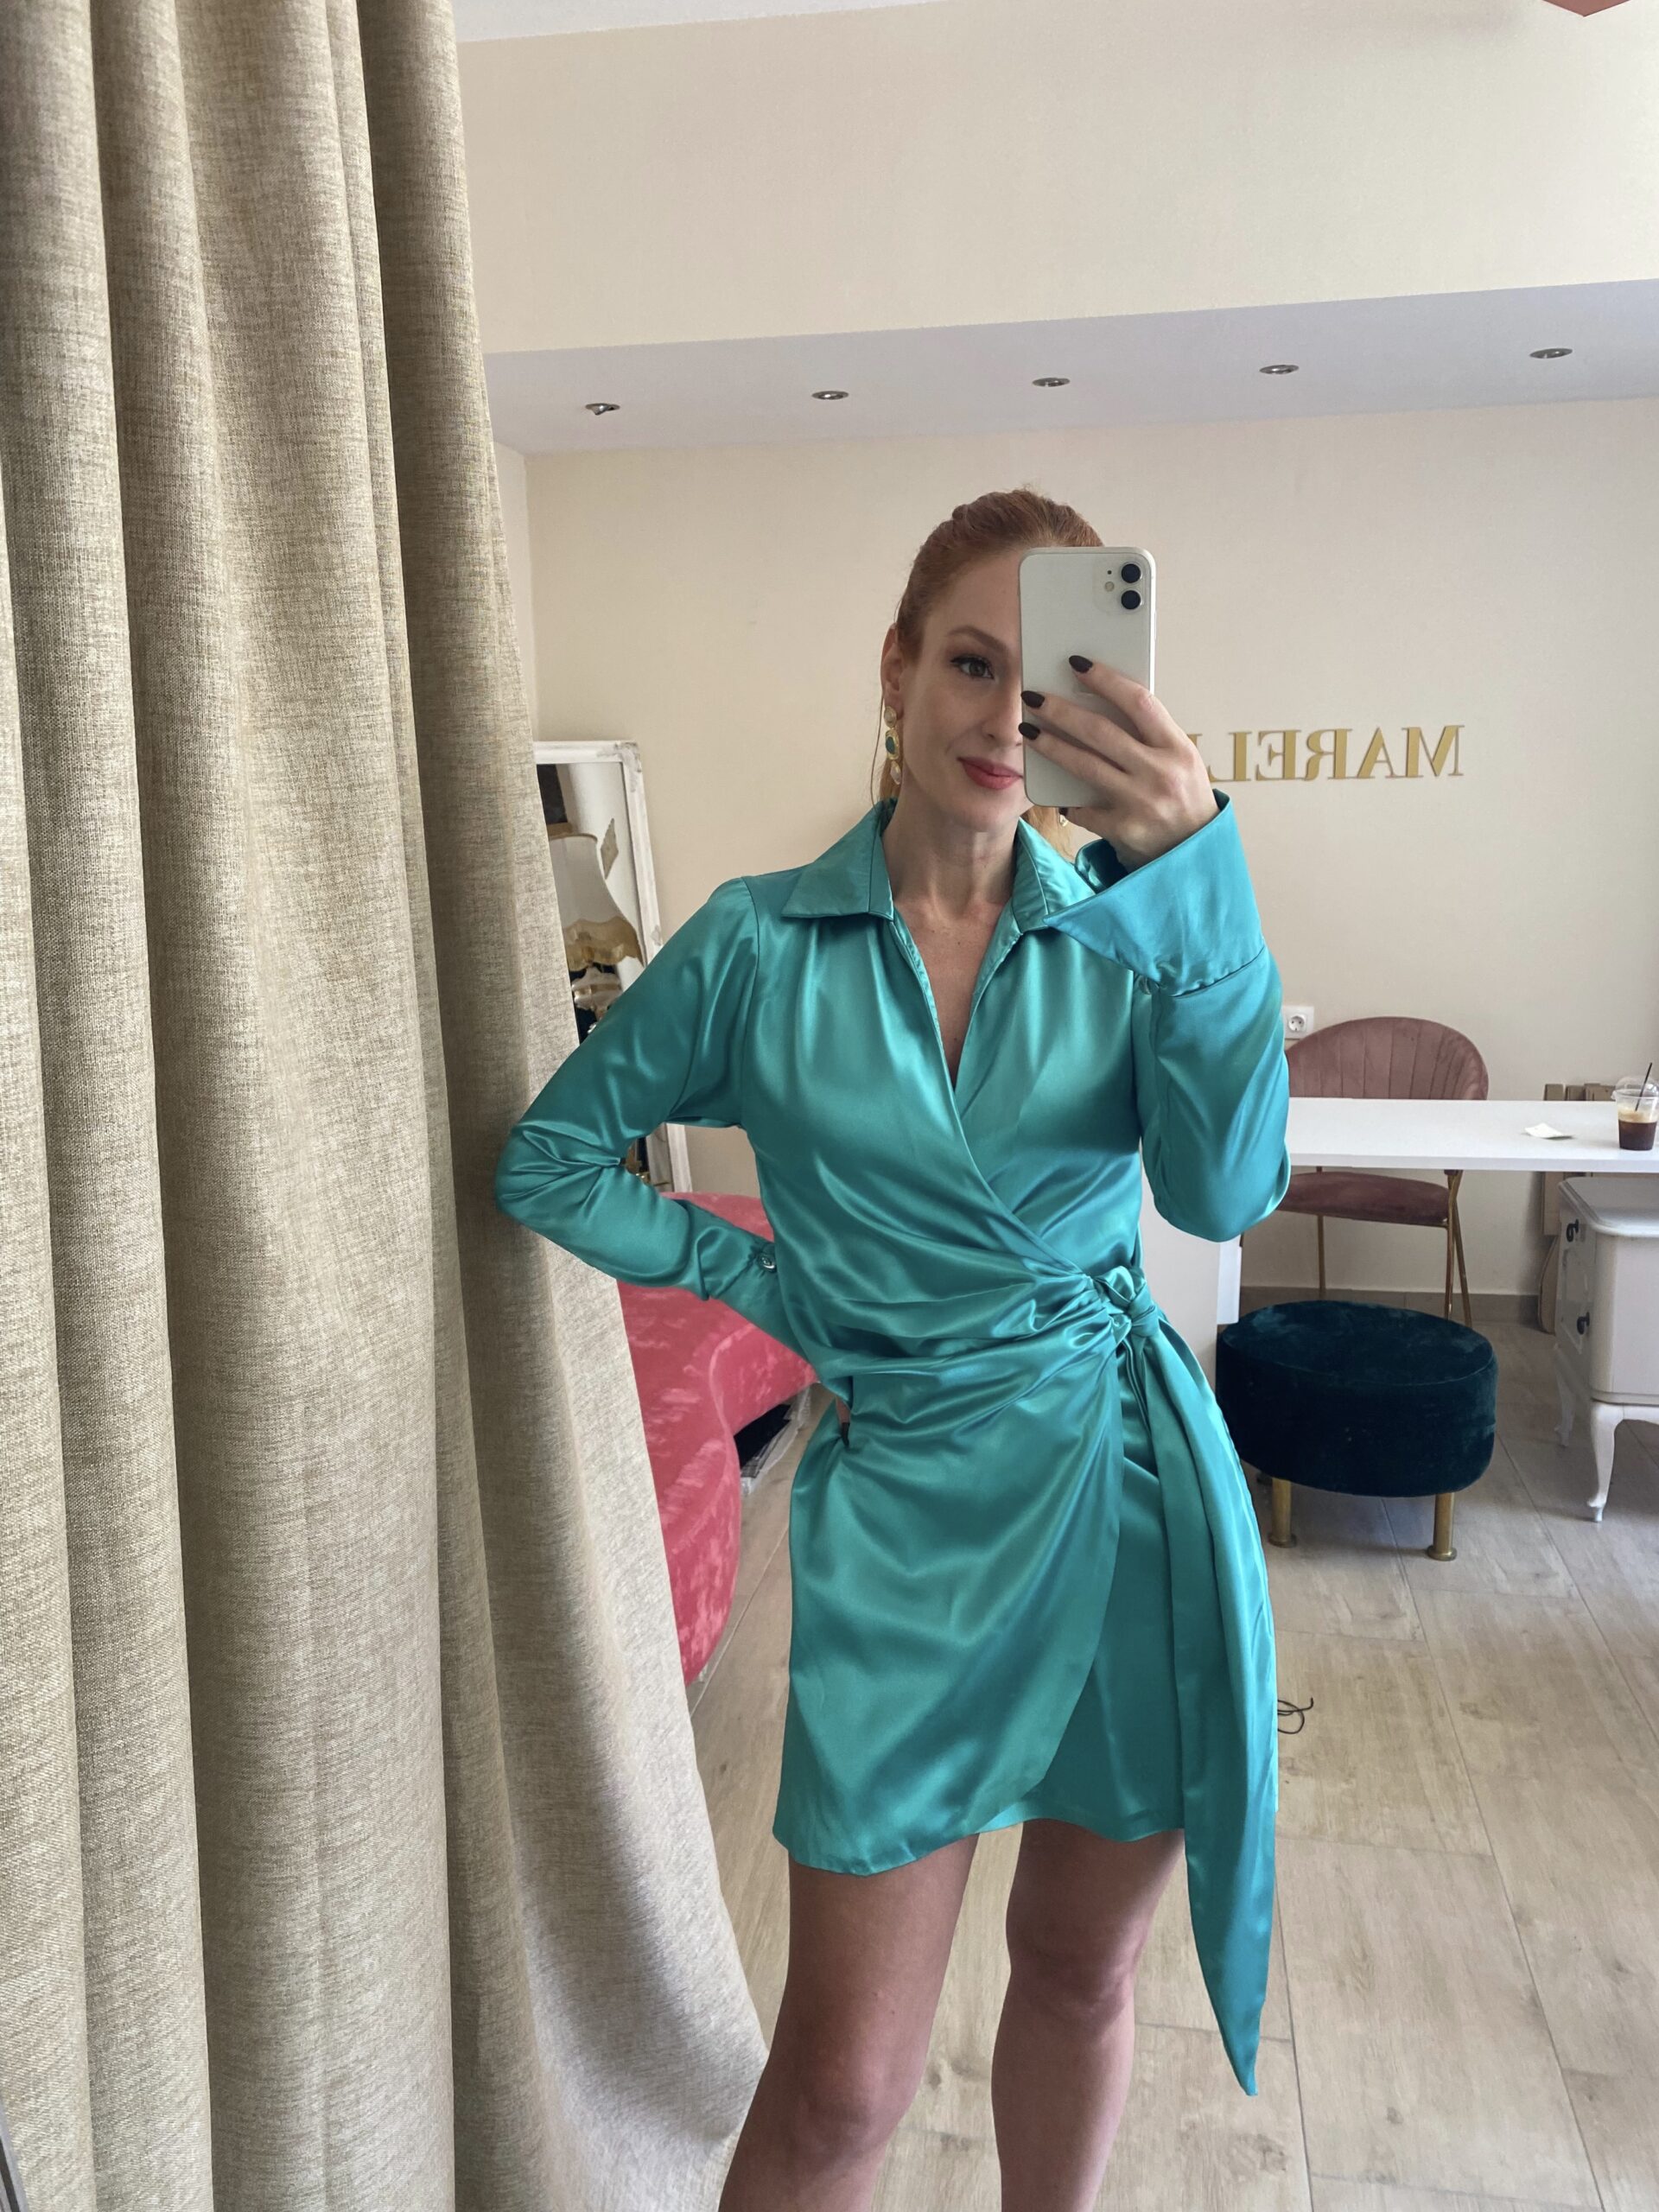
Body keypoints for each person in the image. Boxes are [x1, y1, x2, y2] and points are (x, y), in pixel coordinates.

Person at [494, 486, 1292, 2212]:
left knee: (1078, 1969)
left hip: (1119, 1489)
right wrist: (769, 1284)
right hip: (905, 1522)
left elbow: (1225, 1187)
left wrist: (1200, 878)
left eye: (1048, 677)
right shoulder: (756, 942)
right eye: (971, 663)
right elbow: (548, 1160)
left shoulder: (1134, 932)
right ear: (897, 671)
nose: (1006, 717)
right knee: (843, 2083)